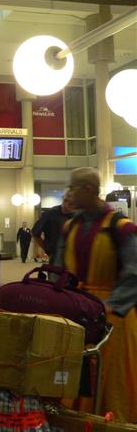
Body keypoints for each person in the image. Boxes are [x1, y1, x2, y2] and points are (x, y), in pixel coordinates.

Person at [55, 167, 137, 421]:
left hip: (113, 320)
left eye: (72, 187)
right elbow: (59, 270)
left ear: (88, 189)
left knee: (111, 377)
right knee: (76, 371)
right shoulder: (70, 227)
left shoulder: (121, 227)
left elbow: (134, 273)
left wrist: (111, 305)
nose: (68, 193)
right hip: (76, 311)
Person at [32, 191, 74, 263]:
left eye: (71, 203)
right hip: (55, 255)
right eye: (66, 201)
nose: (67, 205)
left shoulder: (76, 215)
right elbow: (35, 233)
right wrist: (47, 249)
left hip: (73, 255)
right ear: (63, 200)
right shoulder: (50, 214)